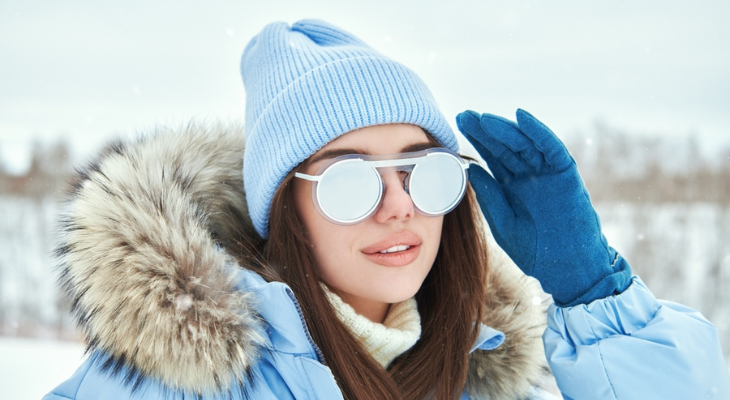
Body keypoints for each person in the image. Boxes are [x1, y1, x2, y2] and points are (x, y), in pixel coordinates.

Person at [44, 19, 729, 400]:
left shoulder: (481, 377)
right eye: (349, 183)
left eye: (424, 172)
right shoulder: (171, 386)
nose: (400, 206)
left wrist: (596, 295)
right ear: (286, 212)